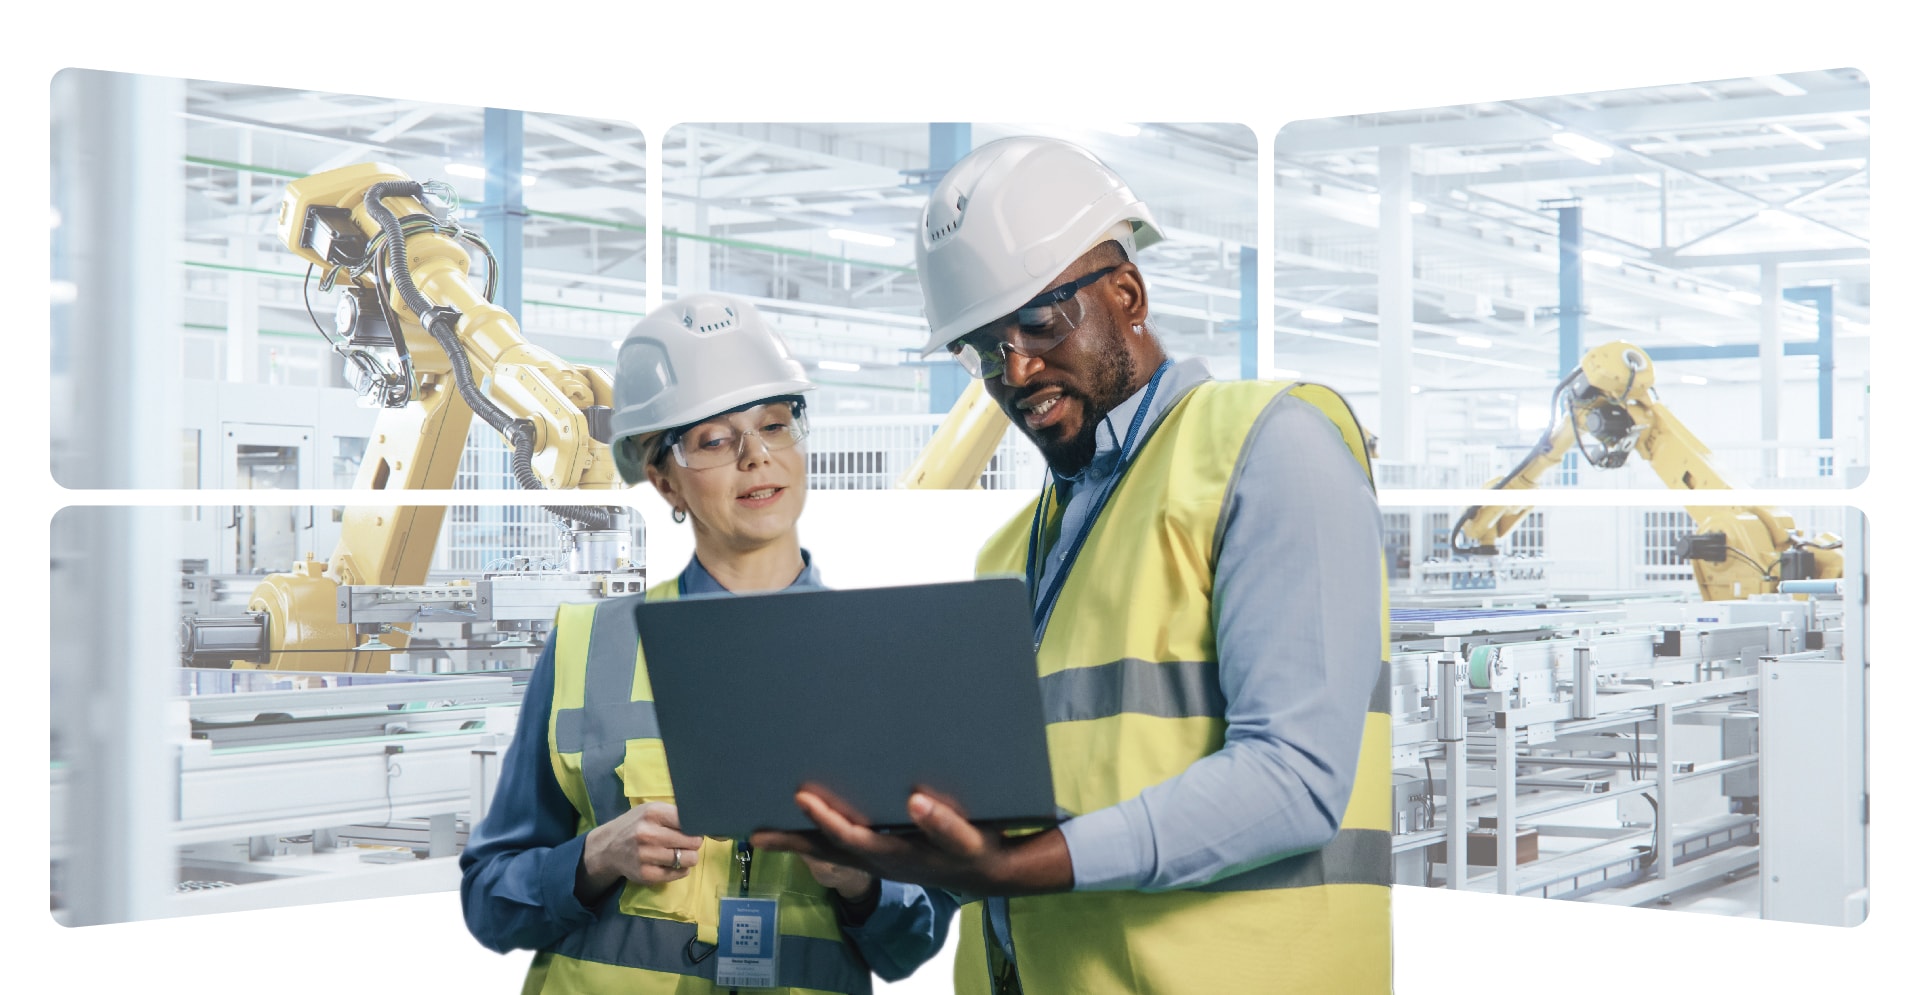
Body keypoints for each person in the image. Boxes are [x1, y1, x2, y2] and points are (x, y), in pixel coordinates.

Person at [754, 137, 1392, 992]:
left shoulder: (1266, 448)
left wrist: (1028, 864)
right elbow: (988, 852)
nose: (1015, 369)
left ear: (1127, 294)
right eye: (984, 349)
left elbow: (1295, 778)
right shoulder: (1010, 553)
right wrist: (868, 873)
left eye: (1038, 322)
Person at [460, 293, 955, 994]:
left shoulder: (883, 657)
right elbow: (489, 901)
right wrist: (593, 857)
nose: (757, 456)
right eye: (715, 440)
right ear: (665, 480)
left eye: (776, 425)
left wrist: (860, 882)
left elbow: (915, 937)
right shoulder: (588, 645)